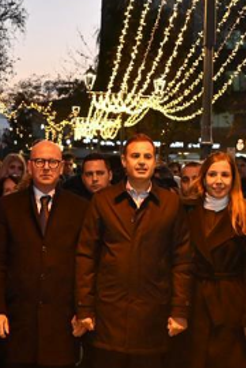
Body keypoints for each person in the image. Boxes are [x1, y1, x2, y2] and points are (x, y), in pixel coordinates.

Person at [75, 133, 193, 366]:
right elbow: (86, 256)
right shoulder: (103, 201)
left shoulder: (170, 203)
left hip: (154, 315)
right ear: (123, 161)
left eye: (147, 157)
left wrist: (180, 310)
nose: (141, 162)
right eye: (135, 156)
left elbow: (182, 260)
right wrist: (84, 307)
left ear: (155, 162)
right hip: (109, 314)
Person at [0, 141, 89, 368]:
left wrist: (83, 309)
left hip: (63, 318)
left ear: (61, 167)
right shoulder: (8, 206)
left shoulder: (79, 208)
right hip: (18, 317)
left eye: (52, 162)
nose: (46, 167)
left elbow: (85, 263)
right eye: (40, 161)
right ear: (30, 166)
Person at [174, 152, 246, 368]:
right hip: (194, 301)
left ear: (234, 179)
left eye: (225, 175)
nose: (218, 181)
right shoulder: (186, 210)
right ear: (204, 177)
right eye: (213, 174)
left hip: (232, 305)